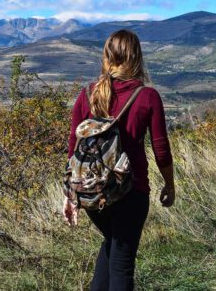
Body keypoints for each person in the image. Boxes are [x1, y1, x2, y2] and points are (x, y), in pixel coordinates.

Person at [62, 29, 175, 291]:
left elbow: (74, 148)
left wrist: (70, 195)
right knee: (122, 265)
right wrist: (169, 185)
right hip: (130, 191)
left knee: (112, 248)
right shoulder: (147, 96)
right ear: (136, 57)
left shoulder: (87, 93)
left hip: (92, 192)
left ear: (106, 56)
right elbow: (161, 149)